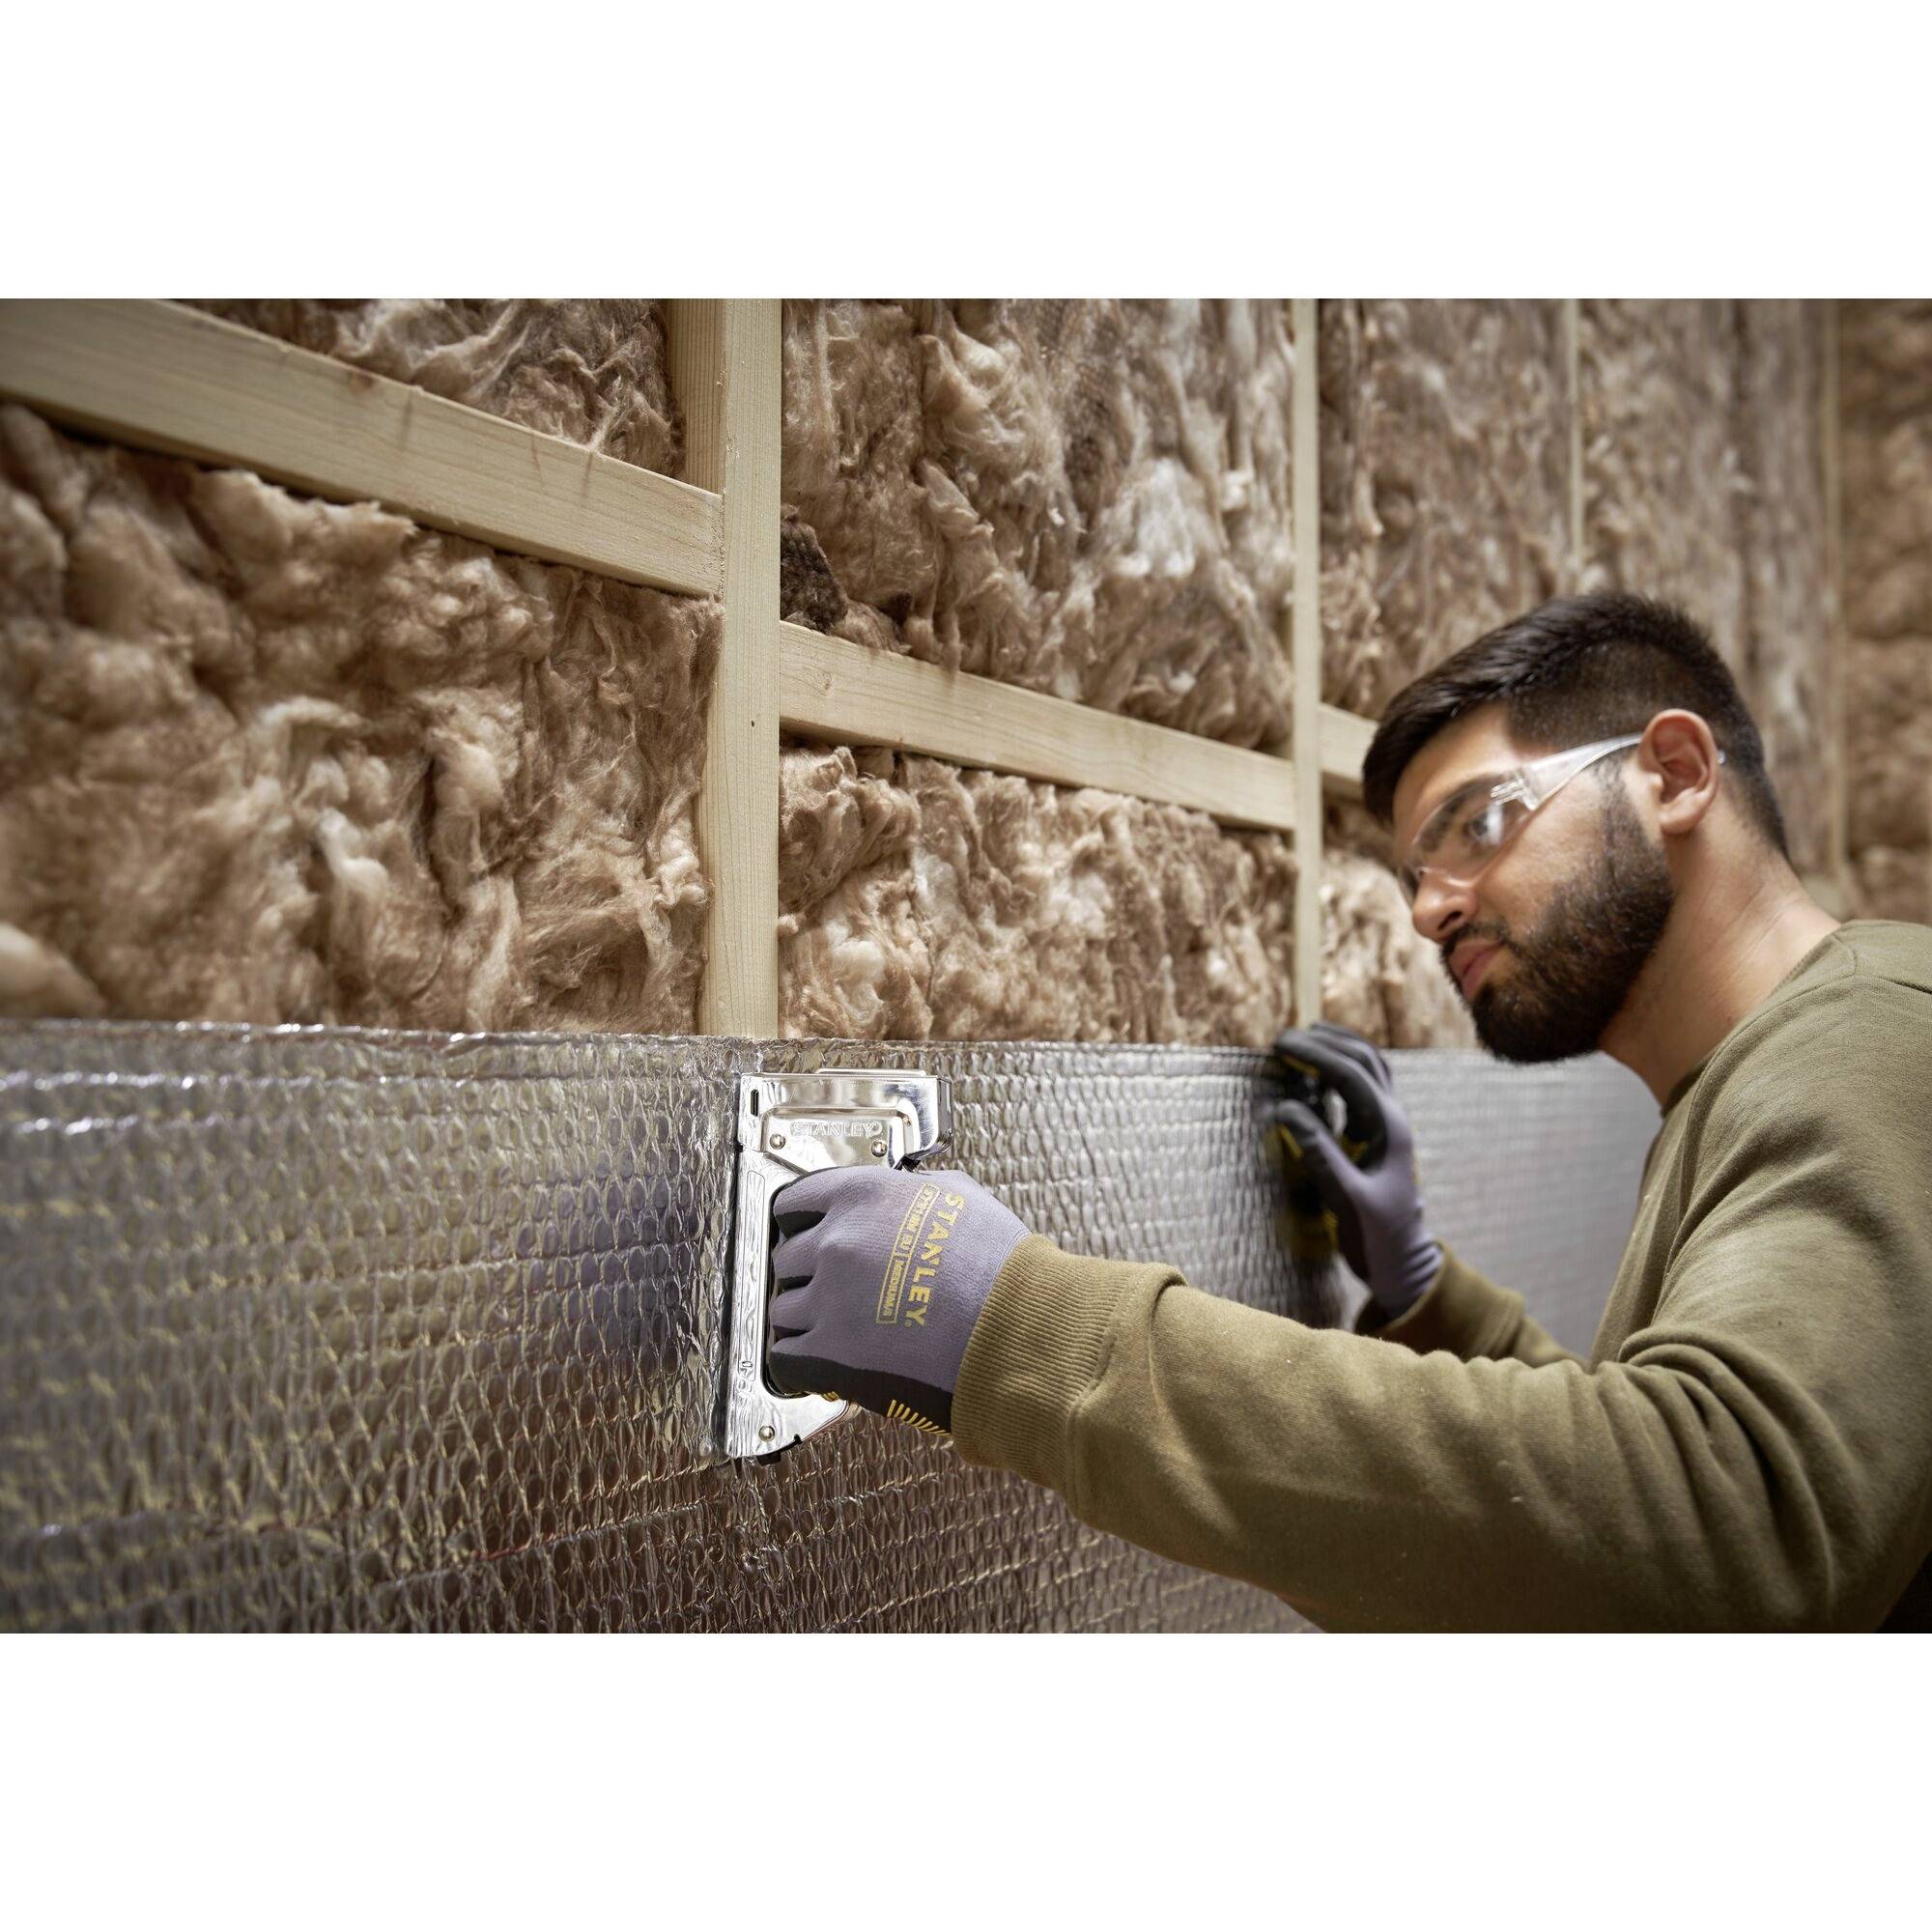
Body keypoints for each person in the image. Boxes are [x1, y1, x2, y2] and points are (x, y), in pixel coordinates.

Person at [766, 592, 1932, 1630]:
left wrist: (1016, 1325)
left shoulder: (1872, 1038)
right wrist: (1423, 1292)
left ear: (1673, 772)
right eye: (1412, 870)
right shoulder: (1758, 1075)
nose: (1429, 909)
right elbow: (1631, 1532)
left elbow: (1725, 1531)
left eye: (1479, 822)